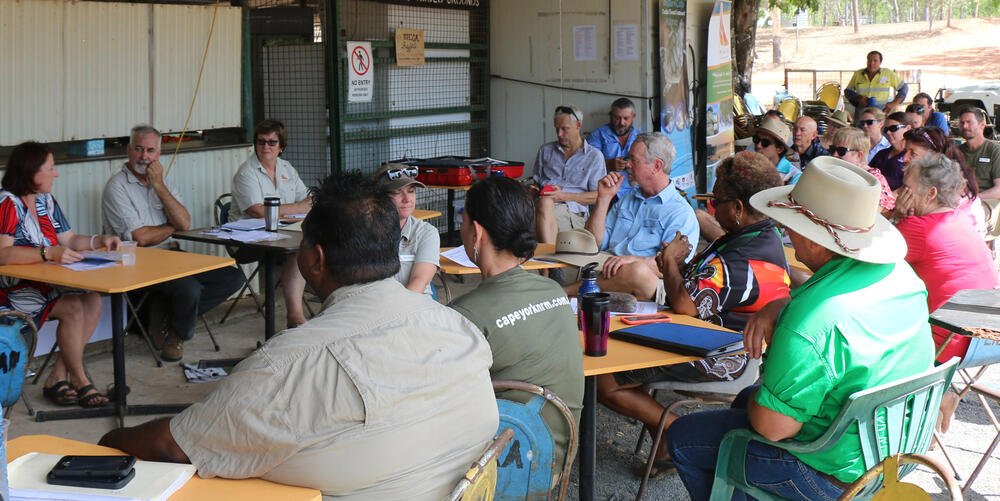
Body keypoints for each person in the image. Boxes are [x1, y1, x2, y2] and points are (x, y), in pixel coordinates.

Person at [99, 171, 499, 500]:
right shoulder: (456, 325)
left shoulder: (287, 365)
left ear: (316, 259)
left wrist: (111, 439)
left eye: (303, 240)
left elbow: (176, 445)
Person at [667, 156, 934, 500]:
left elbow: (772, 427)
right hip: (897, 450)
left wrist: (772, 366)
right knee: (745, 401)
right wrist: (782, 304)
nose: (786, 232)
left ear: (817, 240)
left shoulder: (812, 322)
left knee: (684, 438)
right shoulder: (902, 276)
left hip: (835, 474)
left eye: (792, 224)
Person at [596, 151, 791, 475]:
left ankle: (676, 432)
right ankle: (663, 448)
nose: (712, 208)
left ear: (739, 208)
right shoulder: (760, 236)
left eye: (718, 201)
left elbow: (686, 307)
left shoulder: (741, 260)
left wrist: (671, 262)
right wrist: (678, 265)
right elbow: (709, 290)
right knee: (624, 345)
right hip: (715, 339)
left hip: (717, 355)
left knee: (606, 379)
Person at [448, 176, 583, 480]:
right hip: (555, 465)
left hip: (500, 473)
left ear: (476, 233)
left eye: (464, 220)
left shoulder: (464, 315)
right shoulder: (554, 292)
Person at [102, 125, 244, 361]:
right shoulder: (117, 186)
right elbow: (141, 238)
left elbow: (184, 222)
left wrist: (158, 186)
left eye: (150, 151)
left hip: (171, 255)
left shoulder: (162, 181)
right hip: (138, 261)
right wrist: (171, 228)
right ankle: (178, 335)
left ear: (159, 154)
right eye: (138, 149)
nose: (144, 157)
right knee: (189, 289)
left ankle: (170, 319)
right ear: (128, 150)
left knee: (232, 276)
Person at [0, 142, 120, 408]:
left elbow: (71, 239)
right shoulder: (7, 203)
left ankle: (57, 375)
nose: (56, 174)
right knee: (75, 307)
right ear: (31, 171)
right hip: (12, 293)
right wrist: (47, 253)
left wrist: (99, 240)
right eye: (51, 168)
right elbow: (3, 255)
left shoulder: (45, 201)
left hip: (46, 285)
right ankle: (80, 379)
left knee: (94, 300)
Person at [889, 153, 997, 434]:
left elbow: (869, 261)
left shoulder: (917, 228)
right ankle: (940, 393)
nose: (900, 193)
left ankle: (936, 396)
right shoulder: (961, 219)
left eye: (907, 189)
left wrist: (896, 216)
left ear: (931, 193)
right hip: (986, 340)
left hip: (948, 344)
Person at [557, 132, 699, 302]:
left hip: (644, 279)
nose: (627, 165)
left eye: (634, 160)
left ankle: (562, 295)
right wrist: (603, 199)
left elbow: (672, 267)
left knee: (635, 271)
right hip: (604, 267)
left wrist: (631, 260)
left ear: (656, 166)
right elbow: (593, 243)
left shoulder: (680, 213)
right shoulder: (627, 200)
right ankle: (559, 295)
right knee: (540, 265)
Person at [230, 120, 311, 328]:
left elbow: (309, 199)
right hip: (247, 240)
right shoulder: (246, 172)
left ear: (281, 147)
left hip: (281, 232)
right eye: (261, 142)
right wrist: (298, 207)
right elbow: (258, 211)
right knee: (296, 250)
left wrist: (301, 205)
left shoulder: (287, 168)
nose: (266, 146)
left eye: (272, 142)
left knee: (313, 243)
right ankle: (294, 315)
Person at [532, 104, 606, 245]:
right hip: (541, 206)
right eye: (557, 129)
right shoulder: (545, 151)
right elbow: (536, 182)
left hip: (573, 214)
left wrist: (564, 196)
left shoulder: (594, 156)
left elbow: (599, 196)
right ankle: (549, 264)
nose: (559, 134)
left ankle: (548, 263)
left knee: (543, 207)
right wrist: (534, 190)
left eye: (564, 129)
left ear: (578, 125)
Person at [902, 126, 986, 237]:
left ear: (934, 158)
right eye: (906, 151)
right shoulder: (925, 185)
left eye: (913, 153)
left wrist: (901, 217)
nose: (904, 158)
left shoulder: (954, 200)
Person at [372, 163, 439, 295]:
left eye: (411, 191)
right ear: (379, 198)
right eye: (397, 192)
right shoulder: (365, 232)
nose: (407, 199)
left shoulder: (426, 233)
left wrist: (399, 312)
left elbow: (419, 281)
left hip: (416, 306)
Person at [587, 98, 643, 199]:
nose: (621, 123)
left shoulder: (641, 137)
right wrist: (609, 164)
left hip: (634, 193)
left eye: (626, 118)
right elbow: (586, 163)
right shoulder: (598, 135)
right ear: (611, 115)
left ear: (633, 117)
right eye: (617, 118)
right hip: (604, 192)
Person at [830, 127, 895, 211]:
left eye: (841, 151)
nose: (834, 154)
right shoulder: (833, 168)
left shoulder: (874, 179)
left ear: (859, 155)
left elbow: (879, 211)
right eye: (833, 149)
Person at [844, 50, 907, 122]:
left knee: (879, 132)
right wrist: (860, 99)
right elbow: (848, 91)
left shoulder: (888, 73)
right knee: (860, 132)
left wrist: (894, 103)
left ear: (880, 62)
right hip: (861, 113)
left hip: (880, 113)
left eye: (875, 61)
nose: (871, 63)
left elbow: (903, 88)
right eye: (869, 60)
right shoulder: (858, 74)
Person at [957, 107, 1000, 200]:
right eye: (962, 123)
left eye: (969, 122)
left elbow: (999, 189)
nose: (964, 126)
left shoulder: (995, 151)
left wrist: (974, 198)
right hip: (960, 202)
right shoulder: (957, 152)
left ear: (982, 125)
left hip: (987, 202)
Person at [868, 111, 914, 190]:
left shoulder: (912, 157)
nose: (888, 133)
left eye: (893, 128)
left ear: (908, 128)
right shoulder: (882, 153)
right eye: (886, 130)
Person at [753, 119, 800, 184]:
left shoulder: (795, 176)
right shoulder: (749, 168)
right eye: (756, 139)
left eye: (765, 143)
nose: (758, 145)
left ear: (779, 149)